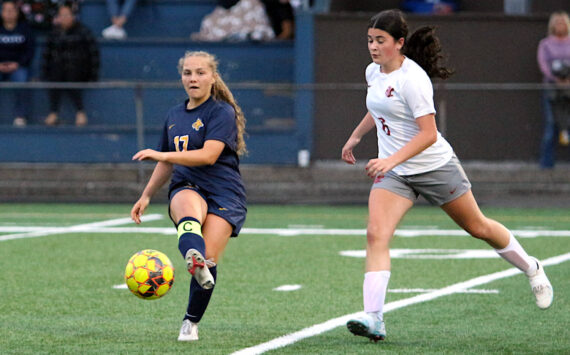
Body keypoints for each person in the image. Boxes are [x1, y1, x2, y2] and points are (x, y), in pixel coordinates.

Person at [341, 9, 554, 342]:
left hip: (434, 167)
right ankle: (374, 318)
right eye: (370, 40)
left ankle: (532, 268)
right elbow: (377, 105)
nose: (373, 47)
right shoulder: (373, 72)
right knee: (375, 234)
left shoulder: (414, 80)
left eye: (380, 41)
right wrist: (356, 136)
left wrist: (388, 159)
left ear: (399, 43)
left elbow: (428, 133)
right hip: (396, 172)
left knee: (478, 227)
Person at [130, 50, 247, 342]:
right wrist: (146, 195)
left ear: (213, 77)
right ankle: (192, 257)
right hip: (188, 184)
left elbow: (208, 156)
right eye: (187, 73)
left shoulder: (221, 111)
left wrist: (161, 152)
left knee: (210, 260)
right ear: (181, 77)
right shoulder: (174, 114)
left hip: (224, 191)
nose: (193, 78)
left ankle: (190, 321)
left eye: (200, 72)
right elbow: (167, 163)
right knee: (187, 213)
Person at [42, 4, 99, 126]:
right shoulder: (54, 34)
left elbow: (93, 54)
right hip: (59, 70)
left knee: (71, 74)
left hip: (79, 70)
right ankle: (53, 112)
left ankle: (80, 112)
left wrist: (93, 75)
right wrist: (44, 73)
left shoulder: (83, 31)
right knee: (56, 73)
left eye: (67, 15)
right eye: (62, 15)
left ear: (73, 16)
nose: (65, 18)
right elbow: (46, 55)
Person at [537, 11, 570, 168]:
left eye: (562, 23)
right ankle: (546, 165)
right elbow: (543, 65)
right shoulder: (546, 44)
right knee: (551, 125)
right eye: (557, 23)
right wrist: (555, 78)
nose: (560, 26)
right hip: (551, 89)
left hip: (568, 89)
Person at [0, 0, 35, 126]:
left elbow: (30, 51)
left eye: (11, 10)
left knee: (22, 79)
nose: (9, 13)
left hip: (18, 66)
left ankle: (20, 116)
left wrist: (18, 64)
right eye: (6, 10)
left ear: (17, 12)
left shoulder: (25, 29)